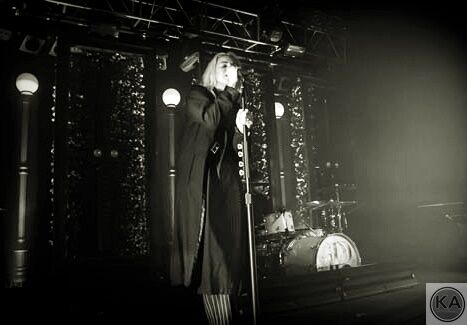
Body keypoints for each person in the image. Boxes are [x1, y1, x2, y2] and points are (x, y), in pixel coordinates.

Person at [170, 52, 253, 324]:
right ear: (211, 71)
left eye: (234, 67)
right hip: (204, 188)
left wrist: (240, 130)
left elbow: (233, 149)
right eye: (224, 65)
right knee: (212, 256)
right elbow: (209, 121)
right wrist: (230, 93)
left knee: (229, 252)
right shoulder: (198, 95)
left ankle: (230, 311)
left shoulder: (231, 101)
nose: (231, 70)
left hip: (226, 186)